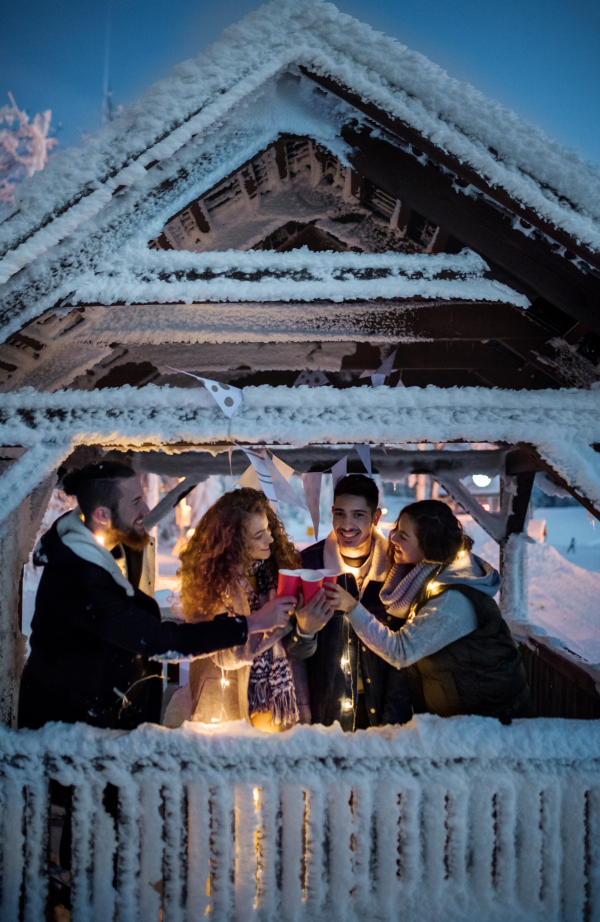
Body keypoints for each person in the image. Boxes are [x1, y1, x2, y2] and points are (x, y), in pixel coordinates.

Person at [18, 463, 290, 731]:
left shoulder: (121, 550)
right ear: (102, 514)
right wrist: (251, 624)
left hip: (102, 724)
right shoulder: (78, 577)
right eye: (136, 501)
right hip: (68, 732)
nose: (147, 509)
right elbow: (157, 640)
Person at [324, 499, 533, 721]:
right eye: (396, 529)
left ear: (428, 545)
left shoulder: (453, 601)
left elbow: (400, 651)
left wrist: (353, 608)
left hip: (493, 722)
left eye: (403, 536)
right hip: (465, 717)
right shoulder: (432, 576)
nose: (392, 538)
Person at [180, 487, 331, 731]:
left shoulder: (279, 573)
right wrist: (268, 622)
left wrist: (306, 630)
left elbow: (297, 651)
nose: (270, 539)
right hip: (227, 711)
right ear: (233, 542)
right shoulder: (205, 584)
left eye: (269, 529)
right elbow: (223, 656)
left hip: (284, 711)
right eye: (259, 534)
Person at [284, 474, 412, 730]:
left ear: (375, 517)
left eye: (358, 515)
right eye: (340, 514)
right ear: (331, 512)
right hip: (326, 715)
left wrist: (394, 720)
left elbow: (407, 652)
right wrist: (305, 632)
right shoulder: (308, 566)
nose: (346, 524)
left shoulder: (397, 570)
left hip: (384, 713)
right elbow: (289, 653)